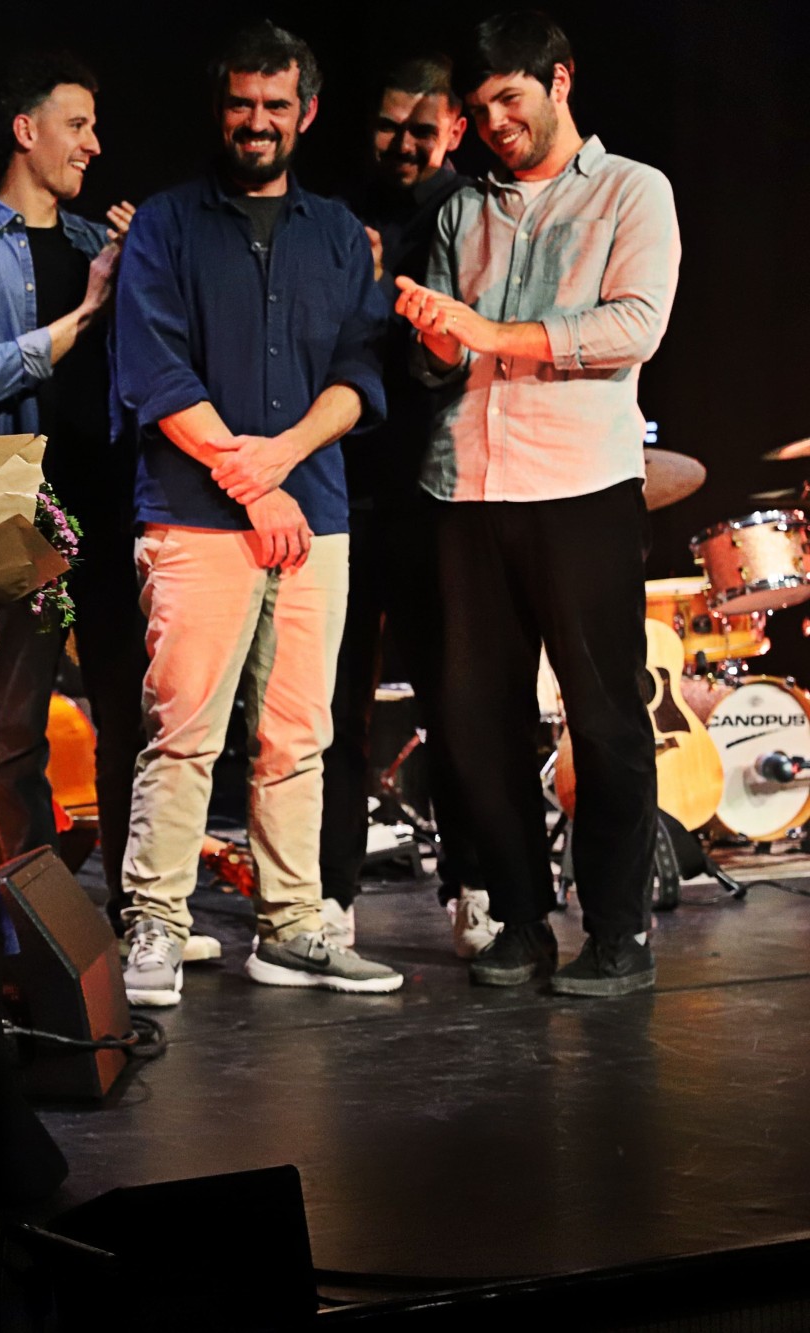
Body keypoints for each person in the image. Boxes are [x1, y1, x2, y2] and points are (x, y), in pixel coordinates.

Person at [111, 21, 404, 1007]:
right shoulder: (165, 224)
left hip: (313, 515)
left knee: (297, 736)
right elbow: (154, 371)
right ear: (219, 107)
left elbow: (360, 371)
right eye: (241, 103)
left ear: (306, 113)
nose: (257, 121)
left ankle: (290, 926)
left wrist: (281, 460)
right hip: (196, 516)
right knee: (183, 733)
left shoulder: (338, 233)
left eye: (276, 105)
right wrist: (255, 483)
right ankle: (156, 923)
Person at [393, 11, 678, 996]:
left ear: (559, 80)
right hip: (465, 486)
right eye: (478, 111)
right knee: (478, 721)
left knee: (602, 719)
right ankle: (519, 919)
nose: (494, 125)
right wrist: (439, 340)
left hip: (579, 485)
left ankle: (617, 931)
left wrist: (489, 331)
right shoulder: (459, 211)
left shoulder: (631, 190)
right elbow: (440, 363)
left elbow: (632, 325)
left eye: (509, 100)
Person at [0, 53, 145, 916]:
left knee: (130, 716)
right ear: (27, 130)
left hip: (111, 501)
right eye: (77, 125)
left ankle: (136, 902)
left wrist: (145, 266)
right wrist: (86, 311)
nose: (93, 144)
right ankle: (39, 915)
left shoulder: (96, 246)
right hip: (18, 503)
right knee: (15, 725)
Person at [319, 55, 493, 955]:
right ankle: (330, 893)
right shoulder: (335, 209)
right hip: (344, 488)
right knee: (334, 707)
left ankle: (472, 884)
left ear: (456, 129)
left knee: (453, 699)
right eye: (389, 125)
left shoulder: (474, 211)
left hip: (437, 490)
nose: (403, 143)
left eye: (422, 129)